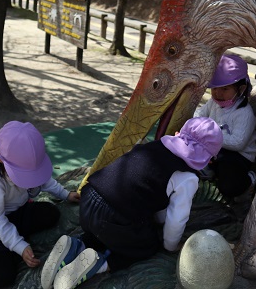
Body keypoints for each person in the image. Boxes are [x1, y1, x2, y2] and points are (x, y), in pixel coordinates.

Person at [40, 117, 223, 289]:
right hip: (113, 217)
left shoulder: (155, 145)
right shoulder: (187, 177)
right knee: (145, 245)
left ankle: (76, 245)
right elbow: (177, 219)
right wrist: (170, 245)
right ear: (208, 158)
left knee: (104, 232)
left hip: (89, 202)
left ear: (179, 134)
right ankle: (101, 264)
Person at [0, 121, 81, 288]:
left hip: (17, 212)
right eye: (24, 176)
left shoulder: (27, 165)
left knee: (50, 214)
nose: (30, 181)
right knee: (2, 277)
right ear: (0, 161)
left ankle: (13, 241)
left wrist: (66, 194)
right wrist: (20, 246)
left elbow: (44, 180)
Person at [194, 54, 256, 200]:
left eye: (225, 89)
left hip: (238, 156)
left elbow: (238, 143)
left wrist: (210, 135)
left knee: (229, 187)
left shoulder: (244, 113)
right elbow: (199, 114)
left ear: (240, 89)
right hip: (216, 148)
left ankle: (250, 180)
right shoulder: (213, 103)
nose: (218, 93)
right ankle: (210, 170)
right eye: (215, 88)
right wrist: (196, 126)